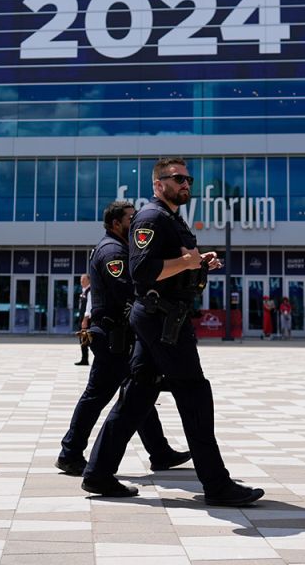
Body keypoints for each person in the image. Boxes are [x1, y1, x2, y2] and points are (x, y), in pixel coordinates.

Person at [82, 157, 264, 507]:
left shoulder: (169, 219)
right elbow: (141, 271)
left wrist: (198, 264)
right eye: (177, 178)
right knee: (194, 394)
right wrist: (187, 262)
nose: (185, 184)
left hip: (163, 318)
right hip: (161, 319)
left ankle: (98, 473)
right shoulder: (150, 217)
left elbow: (174, 268)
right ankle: (216, 483)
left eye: (188, 178)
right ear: (158, 184)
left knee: (137, 396)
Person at [55, 200, 189, 477]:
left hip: (122, 336)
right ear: (116, 223)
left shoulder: (121, 248)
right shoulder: (112, 251)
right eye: (131, 218)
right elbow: (130, 289)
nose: (136, 222)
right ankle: (70, 453)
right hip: (112, 337)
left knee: (138, 392)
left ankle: (160, 451)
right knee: (98, 395)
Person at [74, 274, 91, 365]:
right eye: (81, 280)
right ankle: (84, 359)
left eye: (83, 280)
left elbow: (89, 307)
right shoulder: (83, 291)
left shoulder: (90, 291)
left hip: (87, 320)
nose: (81, 282)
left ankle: (85, 359)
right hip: (82, 319)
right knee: (83, 340)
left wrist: (85, 320)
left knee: (86, 340)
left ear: (89, 281)